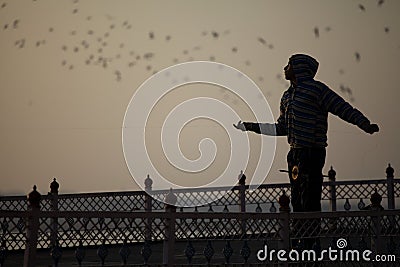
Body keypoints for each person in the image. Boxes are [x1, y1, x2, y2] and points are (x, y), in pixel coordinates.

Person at [234, 53, 379, 248]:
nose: (285, 68)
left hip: (312, 152)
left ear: (300, 68)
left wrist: (364, 124)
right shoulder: (287, 96)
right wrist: (250, 126)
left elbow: (342, 108)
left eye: (289, 64)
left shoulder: (316, 90)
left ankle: (311, 243)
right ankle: (300, 240)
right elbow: (281, 128)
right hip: (294, 154)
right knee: (297, 200)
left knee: (310, 198)